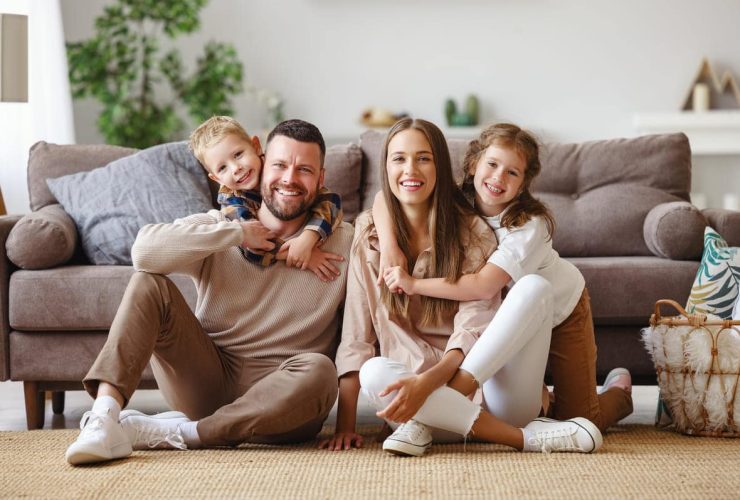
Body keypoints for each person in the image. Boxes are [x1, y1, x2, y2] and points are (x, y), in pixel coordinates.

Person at [65, 119, 353, 465]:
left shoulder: (345, 242)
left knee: (320, 371)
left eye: (304, 169)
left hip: (285, 403)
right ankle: (103, 419)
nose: (289, 179)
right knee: (148, 283)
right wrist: (236, 235)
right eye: (279, 165)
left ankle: (188, 433)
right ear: (263, 163)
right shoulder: (221, 226)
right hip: (206, 382)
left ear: (320, 179)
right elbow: (143, 253)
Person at [320, 118, 602, 457]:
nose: (411, 168)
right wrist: (345, 426)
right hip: (411, 404)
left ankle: (609, 395)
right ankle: (519, 436)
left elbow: (477, 312)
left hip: (482, 392)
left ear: (440, 165)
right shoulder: (370, 234)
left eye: (423, 158)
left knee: (534, 289)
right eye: (399, 158)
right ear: (471, 167)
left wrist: (431, 383)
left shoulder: (476, 229)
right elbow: (356, 334)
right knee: (373, 371)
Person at [380, 123, 633, 433]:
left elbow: (485, 286)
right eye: (492, 164)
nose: (499, 177)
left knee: (581, 419)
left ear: (524, 182)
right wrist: (390, 248)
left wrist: (414, 284)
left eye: (512, 173)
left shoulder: (528, 225)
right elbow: (384, 198)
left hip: (560, 309)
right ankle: (543, 404)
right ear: (474, 165)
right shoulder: (458, 202)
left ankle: (619, 394)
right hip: (510, 316)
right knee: (530, 407)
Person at [189, 115, 343, 272]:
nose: (236, 168)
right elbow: (254, 246)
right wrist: (299, 254)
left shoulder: (277, 168)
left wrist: (308, 238)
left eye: (238, 155)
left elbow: (331, 201)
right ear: (216, 178)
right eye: (222, 168)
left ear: (256, 146)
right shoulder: (232, 202)